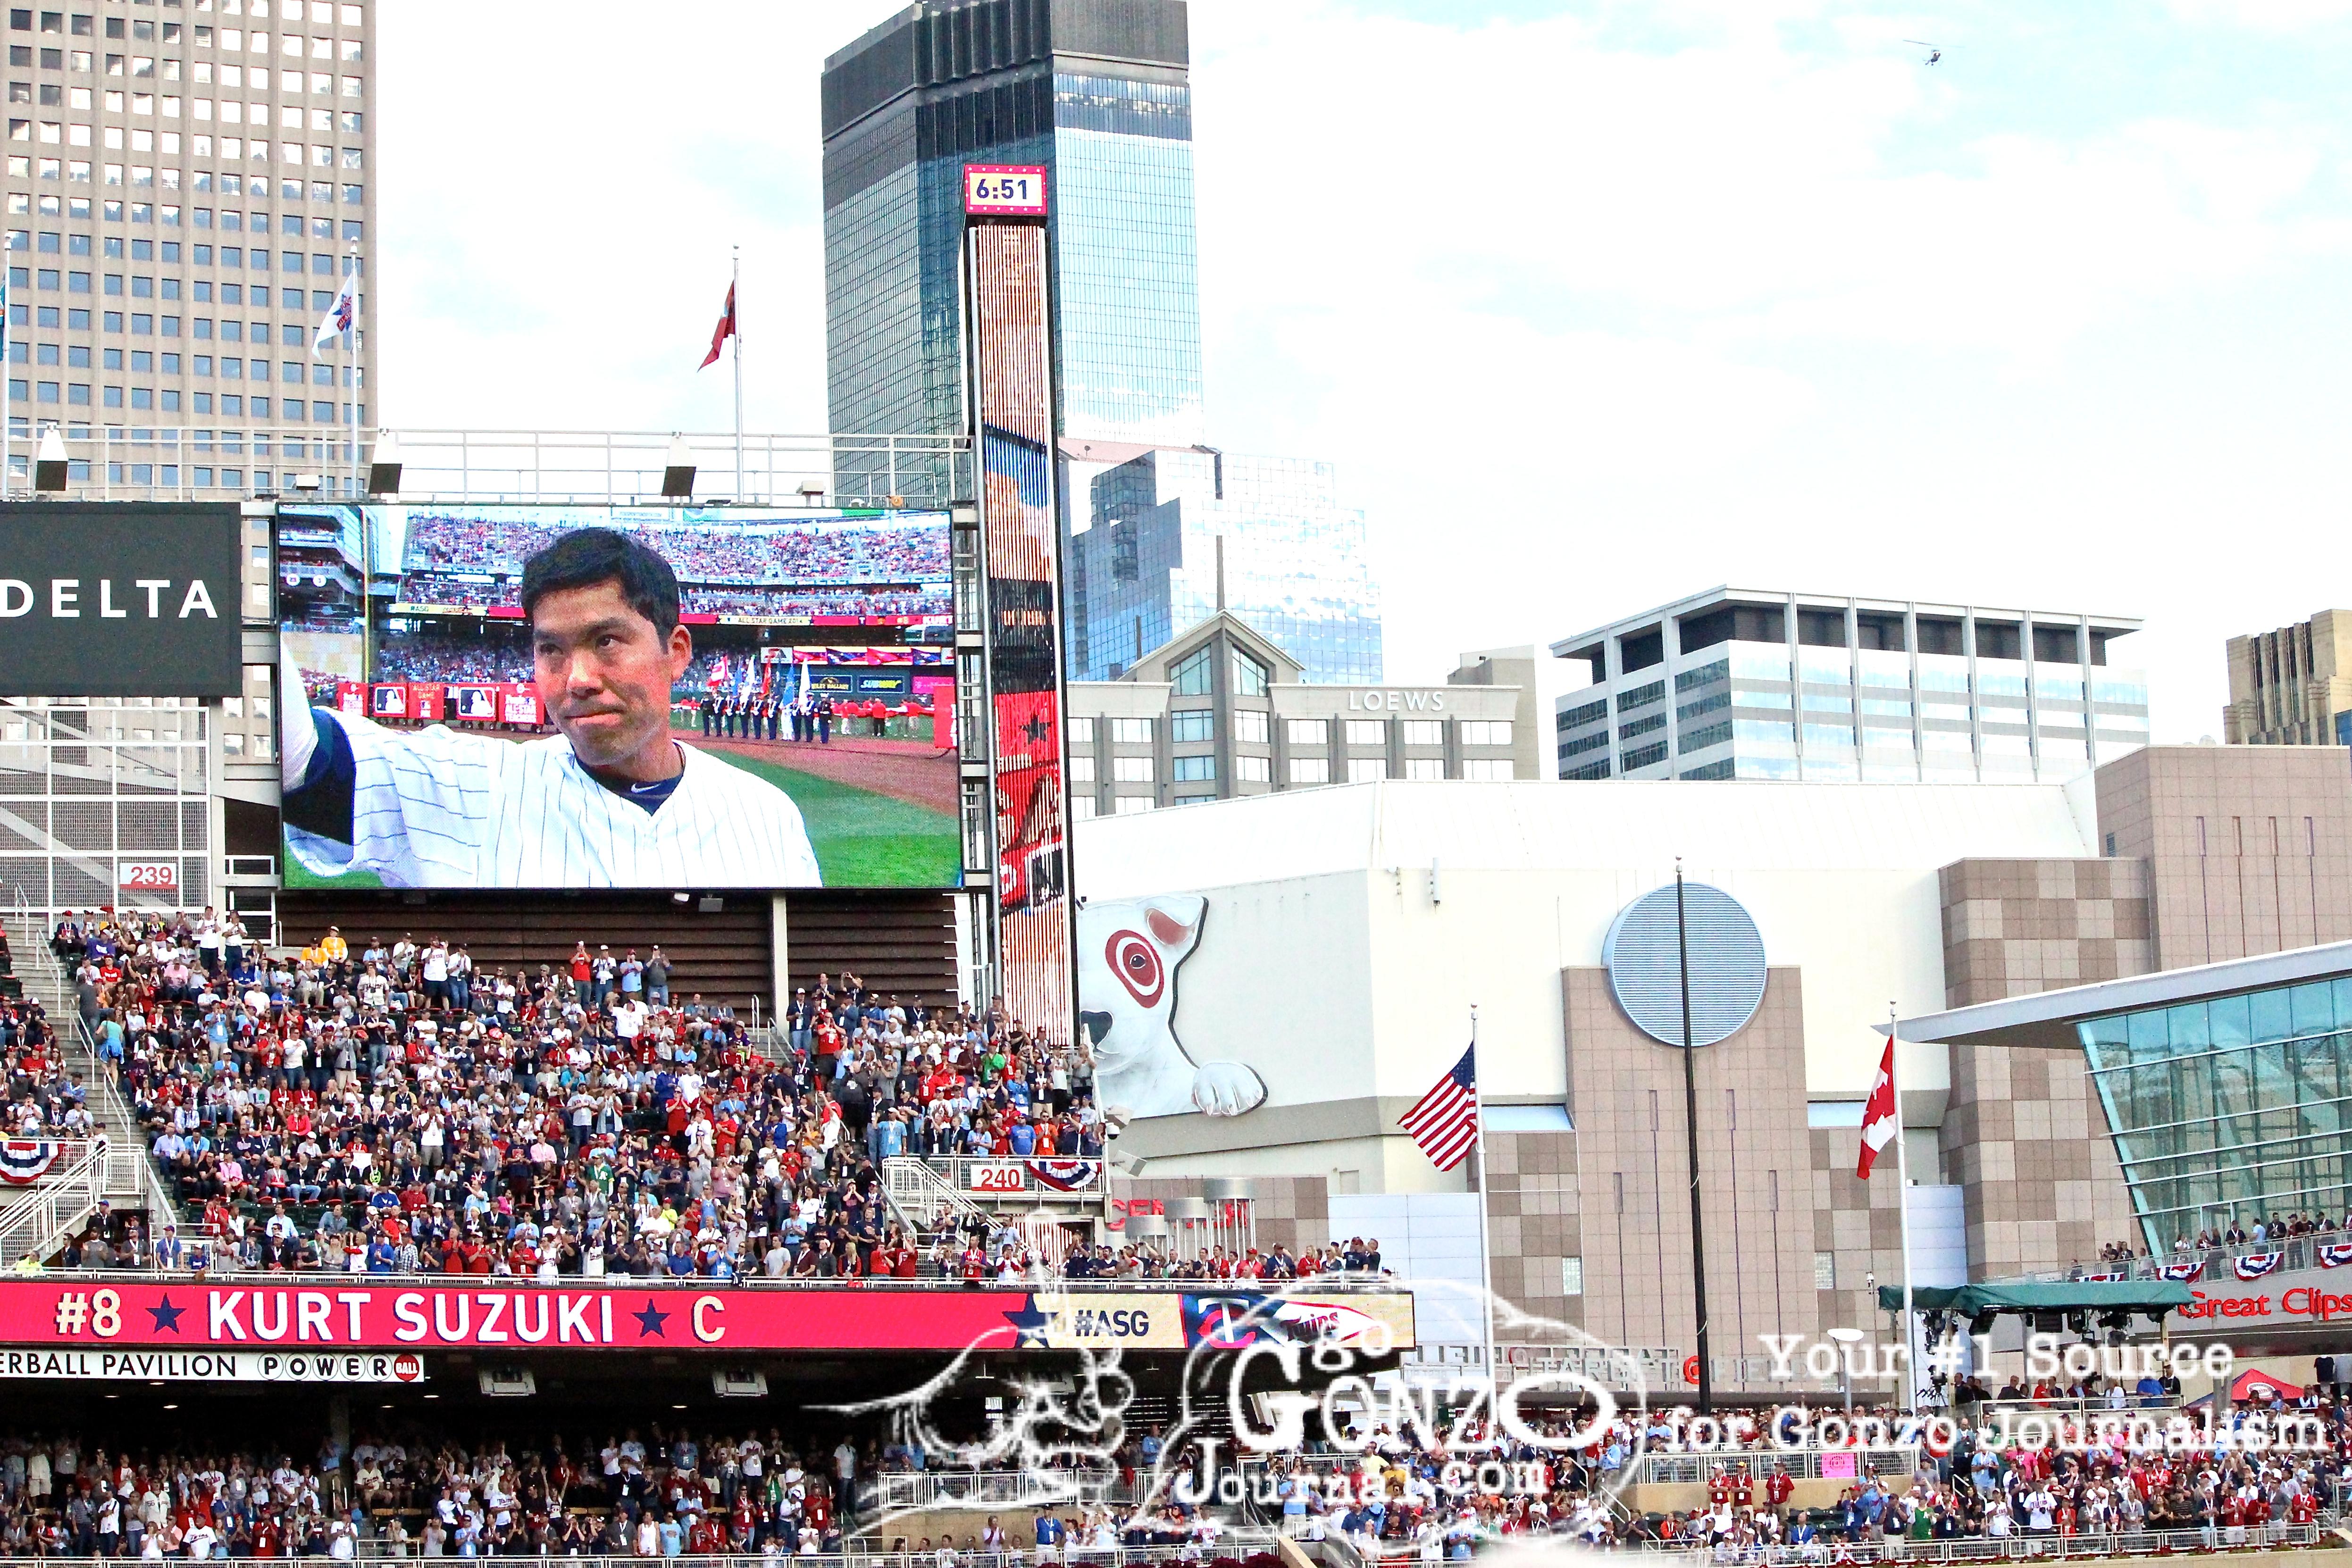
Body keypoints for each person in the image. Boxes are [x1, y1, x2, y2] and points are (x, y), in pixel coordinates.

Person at [279, 527, 822, 887]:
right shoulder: (476, 786)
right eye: (551, 650)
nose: (578, 679)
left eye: (607, 641)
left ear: (675, 652)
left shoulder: (767, 814)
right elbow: (304, 763)